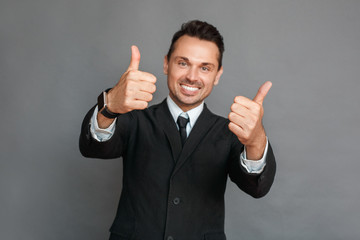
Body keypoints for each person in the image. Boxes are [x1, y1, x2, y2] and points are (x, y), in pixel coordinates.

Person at [79, 20, 276, 240]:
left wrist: (256, 140)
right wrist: (109, 106)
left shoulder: (230, 132)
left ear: (217, 75)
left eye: (205, 67)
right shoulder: (134, 118)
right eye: (183, 63)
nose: (192, 76)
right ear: (166, 64)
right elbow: (93, 147)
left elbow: (257, 188)